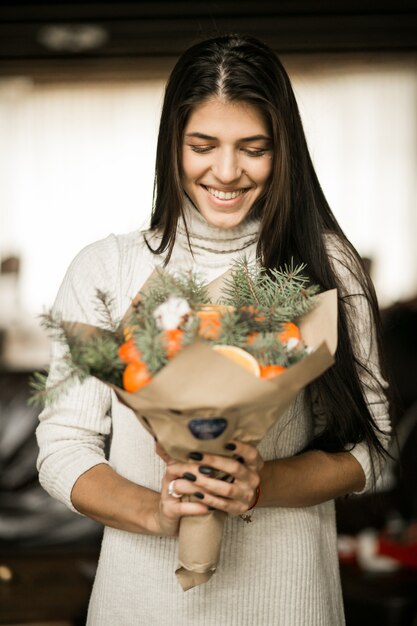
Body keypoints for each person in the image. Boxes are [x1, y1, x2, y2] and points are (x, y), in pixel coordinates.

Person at [36, 34, 391, 625]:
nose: (226, 172)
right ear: (171, 146)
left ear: (285, 152)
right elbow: (62, 448)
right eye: (202, 145)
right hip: (139, 606)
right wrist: (157, 513)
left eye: (254, 148)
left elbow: (375, 450)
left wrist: (259, 483)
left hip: (290, 604)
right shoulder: (106, 269)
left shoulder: (327, 267)